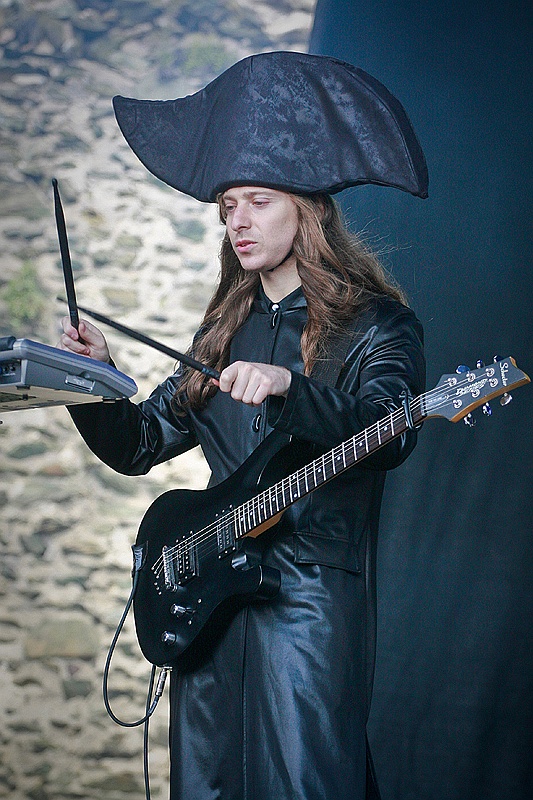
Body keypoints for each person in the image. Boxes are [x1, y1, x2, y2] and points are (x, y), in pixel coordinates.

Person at [58, 53, 427, 800]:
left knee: (309, 785)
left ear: (308, 207)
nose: (239, 222)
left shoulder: (377, 326)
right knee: (209, 786)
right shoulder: (220, 333)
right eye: (228, 207)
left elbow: (394, 429)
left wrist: (292, 388)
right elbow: (140, 445)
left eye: (257, 201)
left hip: (311, 600)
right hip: (207, 591)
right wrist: (92, 383)